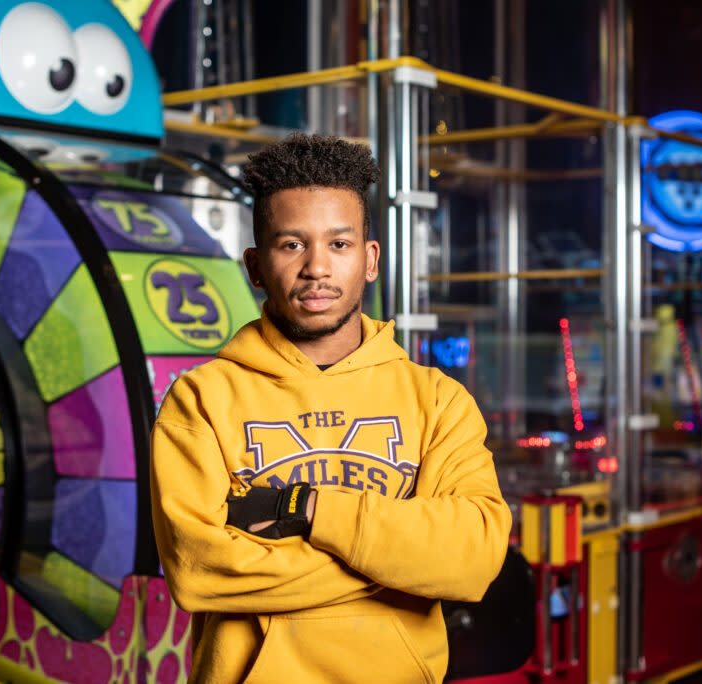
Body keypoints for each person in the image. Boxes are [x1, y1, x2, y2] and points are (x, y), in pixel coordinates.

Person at [150, 133, 511, 683]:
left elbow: (475, 557)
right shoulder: (201, 400)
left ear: (369, 260)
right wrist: (402, 565)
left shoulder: (438, 401)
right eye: (292, 244)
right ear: (254, 265)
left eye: (338, 245)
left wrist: (309, 507)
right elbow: (198, 573)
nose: (317, 268)